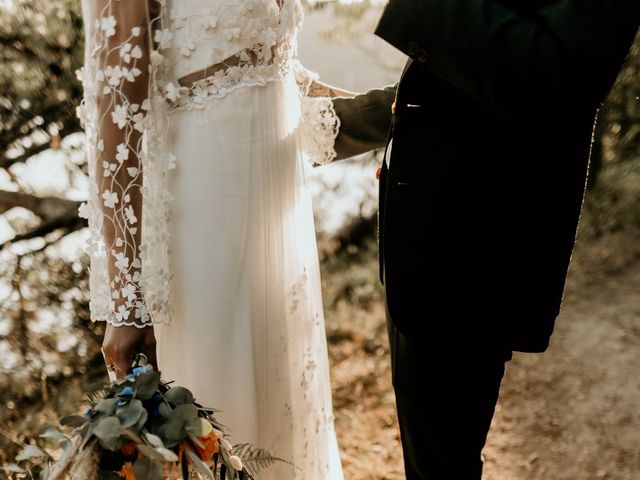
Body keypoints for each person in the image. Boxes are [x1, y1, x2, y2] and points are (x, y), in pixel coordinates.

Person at [326, 1, 640, 478]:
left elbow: (552, 78)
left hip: (474, 250)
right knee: (431, 458)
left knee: (443, 464)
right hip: (426, 237)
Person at [77, 0, 348, 478]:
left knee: (281, 408)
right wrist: (127, 301)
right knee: (222, 419)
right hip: (203, 201)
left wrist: (405, 110)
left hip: (278, 212)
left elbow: (262, 61)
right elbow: (117, 100)